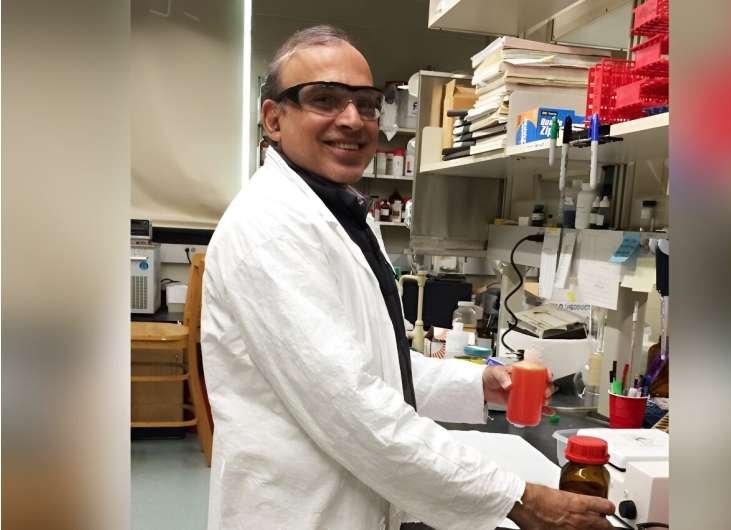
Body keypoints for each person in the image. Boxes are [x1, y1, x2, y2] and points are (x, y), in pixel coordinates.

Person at [201, 25, 614, 530]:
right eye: (324, 99)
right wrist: (517, 498)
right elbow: (352, 407)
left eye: (367, 104)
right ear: (273, 119)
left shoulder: (343, 213)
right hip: (300, 512)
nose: (352, 120)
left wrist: (479, 382)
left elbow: (379, 368)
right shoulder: (269, 230)